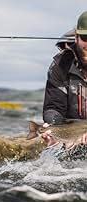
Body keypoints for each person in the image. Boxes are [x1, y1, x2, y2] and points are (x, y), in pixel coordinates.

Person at [42, 11, 87, 148]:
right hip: (72, 139)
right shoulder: (60, 66)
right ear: (76, 37)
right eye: (85, 37)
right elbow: (53, 107)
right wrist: (54, 128)